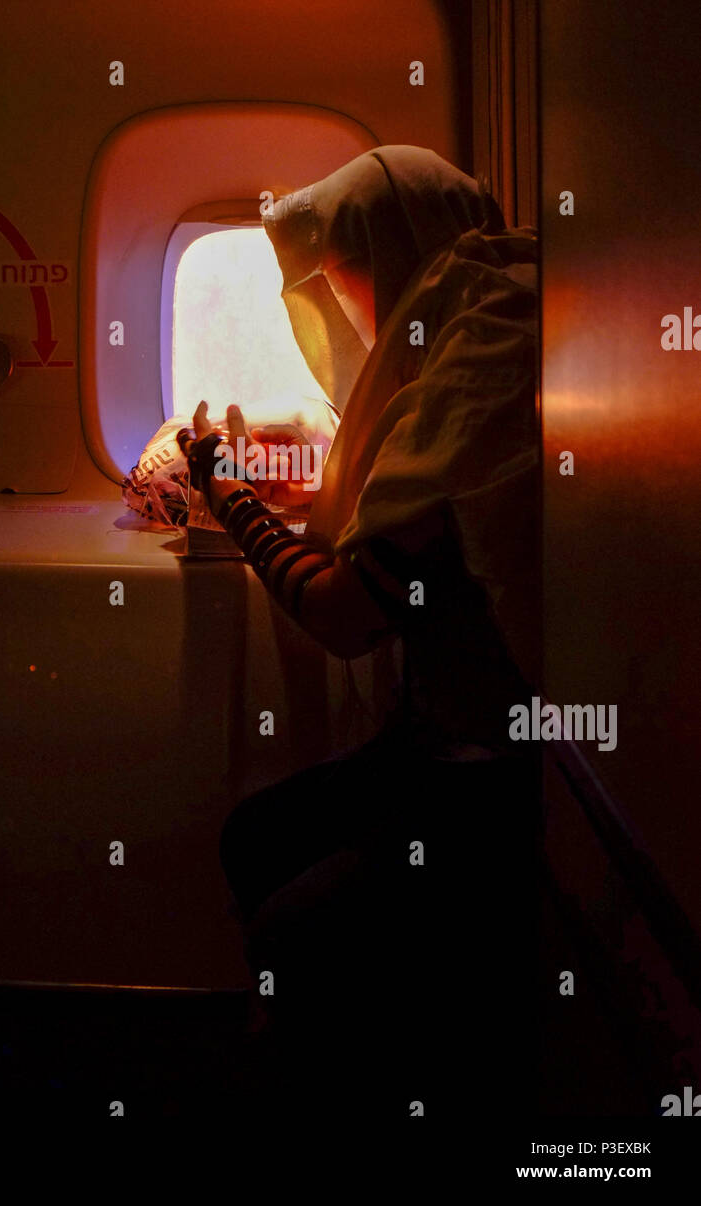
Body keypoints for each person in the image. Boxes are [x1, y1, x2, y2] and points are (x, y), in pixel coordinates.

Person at [179, 146, 541, 1118]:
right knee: (256, 834)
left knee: (298, 919)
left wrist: (229, 496)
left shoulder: (483, 371)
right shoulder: (472, 328)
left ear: (397, 255)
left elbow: (345, 617)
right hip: (438, 743)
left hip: (497, 774)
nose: (347, 318)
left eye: (350, 287)